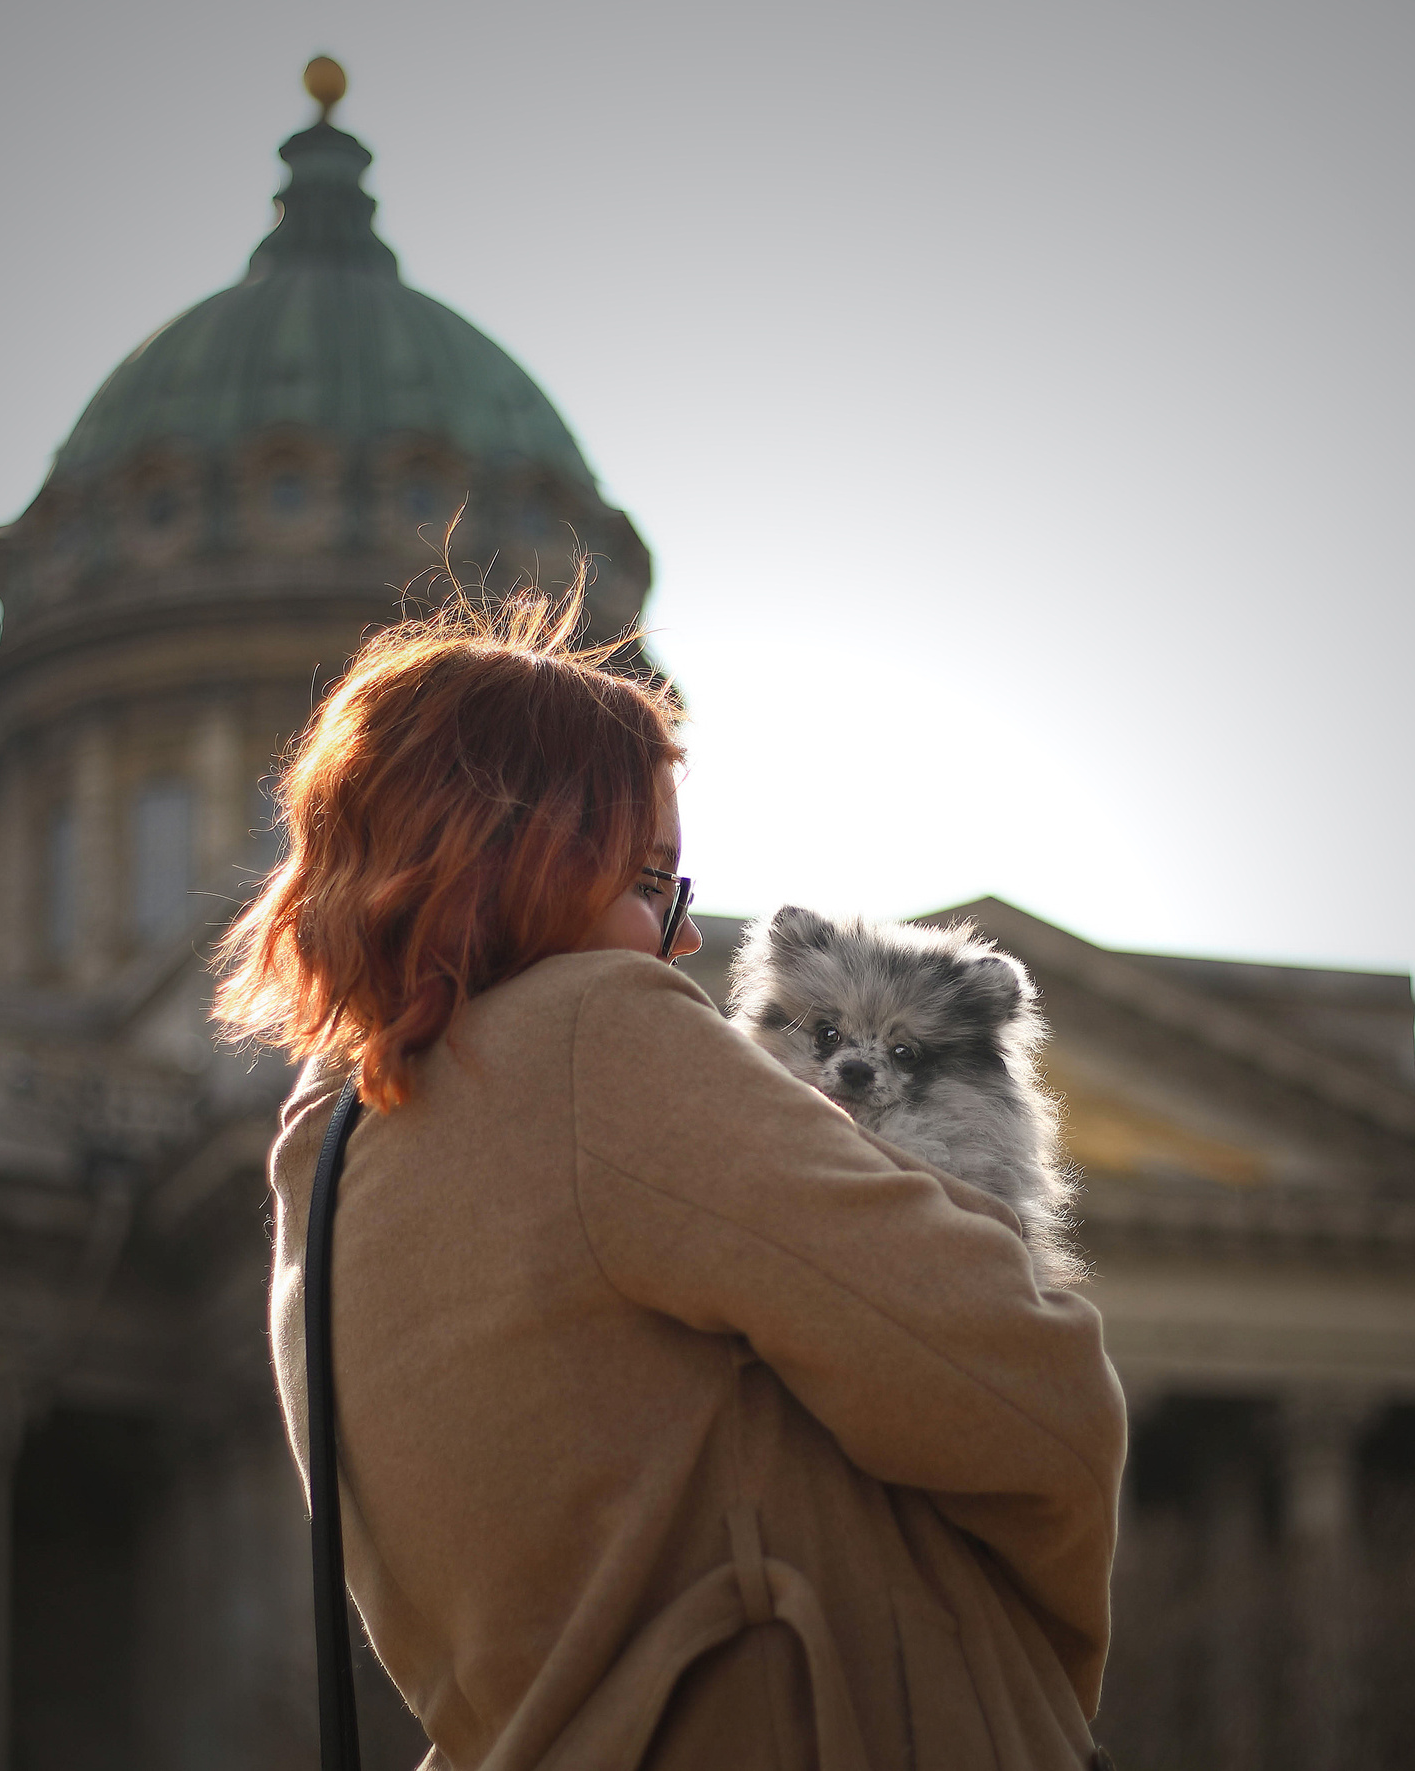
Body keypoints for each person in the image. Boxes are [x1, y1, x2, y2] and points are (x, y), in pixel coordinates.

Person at [216, 588, 1126, 1770]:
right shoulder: (597, 1031)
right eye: (654, 882)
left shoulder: (327, 1164)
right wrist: (1019, 1679)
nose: (684, 940)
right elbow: (1028, 1386)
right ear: (530, 861)